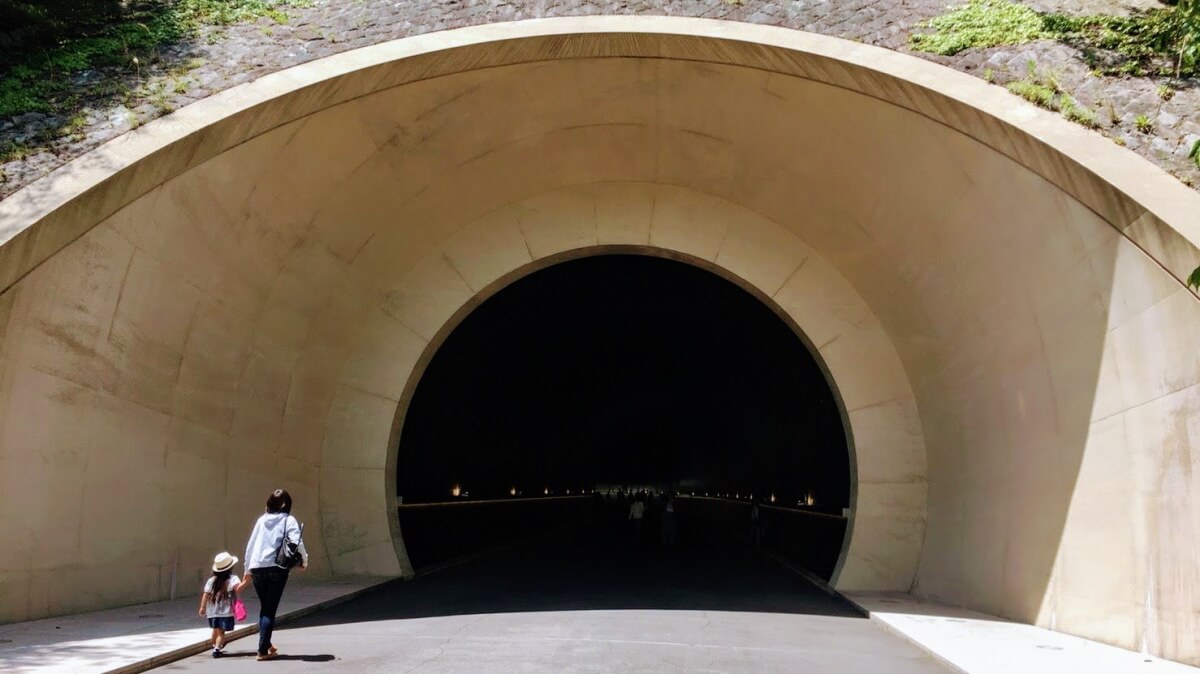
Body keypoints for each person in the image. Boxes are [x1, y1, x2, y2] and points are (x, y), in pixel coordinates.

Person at [244, 489, 308, 661]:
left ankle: (267, 643)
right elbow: (296, 541)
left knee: (266, 608)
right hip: (276, 568)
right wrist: (304, 560)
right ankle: (262, 650)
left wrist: (246, 569)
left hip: (257, 567)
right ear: (287, 505)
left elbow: (251, 545)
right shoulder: (288, 520)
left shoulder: (261, 520)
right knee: (269, 610)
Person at [198, 552, 251, 658]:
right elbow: (239, 589)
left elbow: (206, 594)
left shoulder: (211, 580)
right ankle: (217, 649)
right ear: (230, 567)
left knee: (215, 629)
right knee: (221, 633)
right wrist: (247, 580)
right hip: (225, 612)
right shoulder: (233, 578)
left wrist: (202, 607)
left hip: (212, 611)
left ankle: (214, 645)